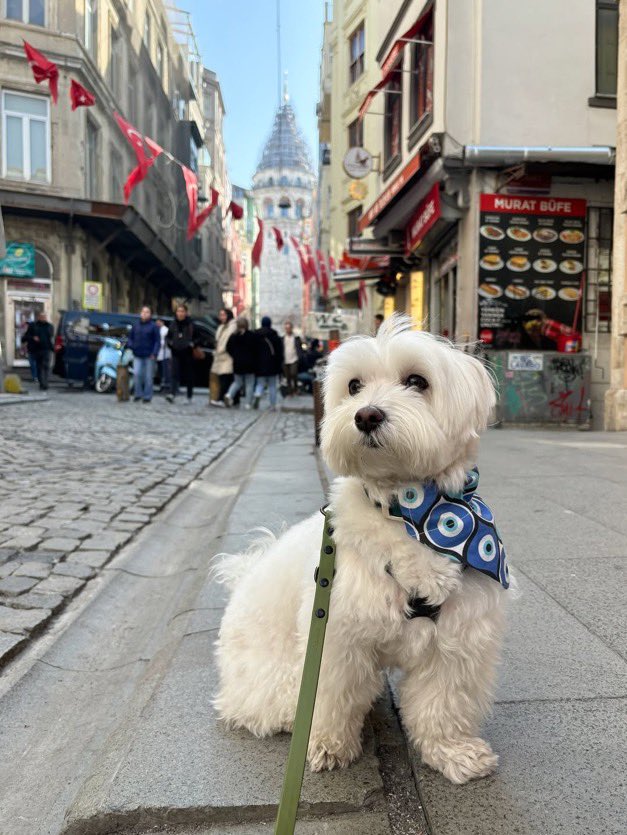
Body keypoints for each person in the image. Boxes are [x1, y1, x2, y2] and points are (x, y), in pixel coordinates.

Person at [127, 305, 160, 403]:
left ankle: (147, 396)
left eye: (147, 312)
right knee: (137, 374)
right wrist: (131, 346)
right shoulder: (136, 325)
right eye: (143, 312)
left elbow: (157, 341)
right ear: (140, 313)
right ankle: (138, 394)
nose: (145, 314)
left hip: (149, 355)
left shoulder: (154, 326)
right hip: (137, 354)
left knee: (148, 377)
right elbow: (130, 338)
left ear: (150, 314)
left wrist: (154, 352)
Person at [224, 316, 259, 409]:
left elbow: (227, 348)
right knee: (249, 384)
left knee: (237, 382)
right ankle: (248, 403)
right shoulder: (252, 335)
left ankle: (229, 395)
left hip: (237, 363)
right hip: (250, 364)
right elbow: (257, 350)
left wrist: (234, 356)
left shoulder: (233, 336)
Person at [166, 303, 196, 404]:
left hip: (187, 353)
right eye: (178, 311)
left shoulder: (190, 324)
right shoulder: (173, 324)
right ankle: (172, 393)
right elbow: (168, 337)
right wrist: (170, 344)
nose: (180, 313)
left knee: (189, 375)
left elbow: (196, 337)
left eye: (182, 311)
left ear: (186, 313)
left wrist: (191, 344)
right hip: (175, 352)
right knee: (174, 374)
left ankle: (189, 396)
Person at [253, 315, 283, 411]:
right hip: (272, 365)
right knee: (272, 386)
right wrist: (279, 366)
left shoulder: (256, 335)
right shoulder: (275, 336)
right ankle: (273, 406)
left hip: (259, 364)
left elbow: (253, 351)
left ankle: (257, 394)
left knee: (260, 384)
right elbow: (279, 352)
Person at [210, 308, 237, 407]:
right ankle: (232, 399)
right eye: (220, 315)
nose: (221, 317)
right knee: (225, 378)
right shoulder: (221, 327)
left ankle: (221, 398)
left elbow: (227, 341)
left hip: (227, 356)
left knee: (226, 378)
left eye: (223, 315)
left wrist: (221, 349)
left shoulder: (232, 326)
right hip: (220, 356)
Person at [22, 311, 53, 391]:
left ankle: (45, 383)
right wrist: (33, 338)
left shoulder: (49, 326)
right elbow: (25, 337)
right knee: (39, 367)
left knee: (46, 366)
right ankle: (41, 383)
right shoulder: (33, 325)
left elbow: (50, 337)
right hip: (36, 349)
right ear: (38, 317)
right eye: (42, 317)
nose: (43, 318)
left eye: (45, 317)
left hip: (46, 349)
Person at [281, 320, 303, 397]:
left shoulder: (296, 338)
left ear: (291, 328)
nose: (288, 329)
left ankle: (296, 389)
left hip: (294, 359)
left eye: (289, 328)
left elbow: (300, 348)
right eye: (286, 328)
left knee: (293, 374)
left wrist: (300, 356)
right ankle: (290, 392)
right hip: (285, 360)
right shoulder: (282, 338)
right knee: (288, 377)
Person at [156, 317, 171, 394]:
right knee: (161, 372)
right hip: (159, 354)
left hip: (165, 354)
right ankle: (162, 386)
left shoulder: (165, 330)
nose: (157, 323)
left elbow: (164, 342)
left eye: (158, 322)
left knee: (165, 371)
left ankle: (166, 386)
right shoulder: (157, 329)